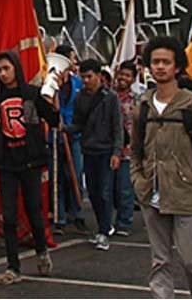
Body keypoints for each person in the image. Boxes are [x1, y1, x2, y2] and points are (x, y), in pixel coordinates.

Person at [131, 37, 192, 299]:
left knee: (191, 261)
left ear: (177, 67)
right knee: (159, 261)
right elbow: (135, 151)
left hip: (187, 194)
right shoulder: (142, 106)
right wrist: (139, 182)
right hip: (152, 194)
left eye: (165, 62)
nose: (160, 67)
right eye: (155, 62)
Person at [0, 51, 59, 285]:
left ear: (16, 68)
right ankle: (12, 266)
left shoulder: (31, 94)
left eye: (7, 68)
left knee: (34, 211)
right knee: (9, 215)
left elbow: (54, 119)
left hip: (30, 160)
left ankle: (42, 252)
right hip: (6, 161)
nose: (3, 74)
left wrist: (53, 95)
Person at [65, 58, 122, 251]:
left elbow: (118, 126)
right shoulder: (81, 97)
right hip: (88, 149)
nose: (86, 81)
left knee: (105, 192)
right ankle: (102, 226)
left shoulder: (110, 97)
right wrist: (65, 128)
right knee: (94, 192)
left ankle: (105, 231)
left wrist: (117, 151)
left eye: (89, 76)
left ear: (99, 76)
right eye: (83, 77)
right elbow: (78, 123)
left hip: (106, 151)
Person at [49, 44, 87, 235]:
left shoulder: (79, 83)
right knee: (57, 178)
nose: (75, 62)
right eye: (72, 58)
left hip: (75, 135)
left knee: (76, 175)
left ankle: (77, 214)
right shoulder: (50, 82)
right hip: (55, 135)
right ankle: (59, 217)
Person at [112, 60, 138, 236]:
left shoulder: (137, 99)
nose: (123, 78)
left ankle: (124, 222)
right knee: (110, 189)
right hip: (109, 147)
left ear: (133, 79)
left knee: (124, 188)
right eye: (121, 74)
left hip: (128, 150)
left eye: (127, 76)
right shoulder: (108, 95)